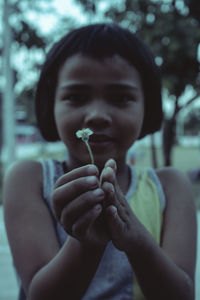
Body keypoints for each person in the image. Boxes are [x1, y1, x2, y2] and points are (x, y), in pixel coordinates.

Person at [3, 23, 197, 300]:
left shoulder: (170, 188)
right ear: (51, 103)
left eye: (120, 98)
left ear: (148, 106)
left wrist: (135, 239)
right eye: (76, 97)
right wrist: (85, 243)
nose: (96, 115)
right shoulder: (29, 180)